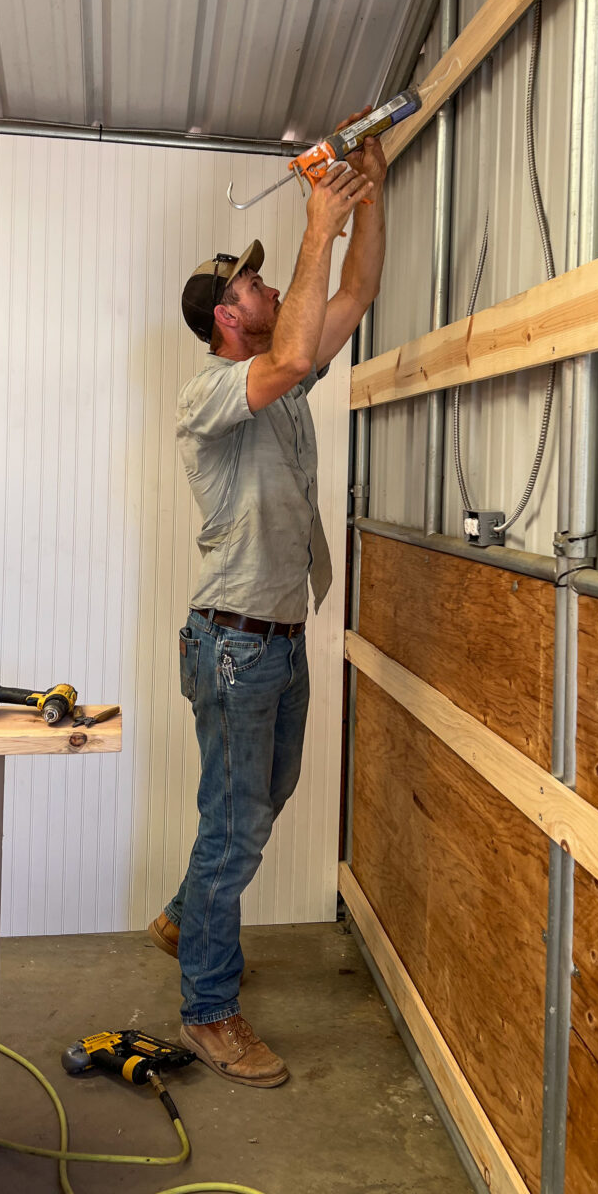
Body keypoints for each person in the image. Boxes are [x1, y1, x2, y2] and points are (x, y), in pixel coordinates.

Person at [149, 119, 387, 1087]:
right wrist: (316, 221)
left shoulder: (281, 385)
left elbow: (358, 293)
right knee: (236, 822)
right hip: (236, 646)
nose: (271, 284)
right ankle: (209, 1008)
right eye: (254, 284)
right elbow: (289, 357)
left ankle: (181, 918)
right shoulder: (213, 394)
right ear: (227, 319)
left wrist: (373, 189)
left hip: (277, 639)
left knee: (257, 805)